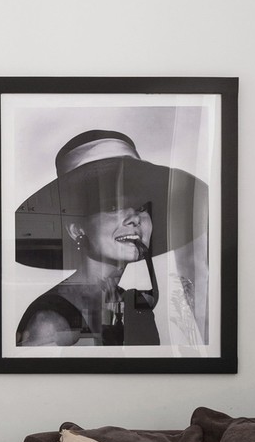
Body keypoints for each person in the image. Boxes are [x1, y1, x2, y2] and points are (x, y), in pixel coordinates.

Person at [14, 129, 208, 347]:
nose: (134, 218)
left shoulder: (134, 308)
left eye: (141, 207)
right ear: (76, 229)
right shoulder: (50, 323)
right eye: (113, 207)